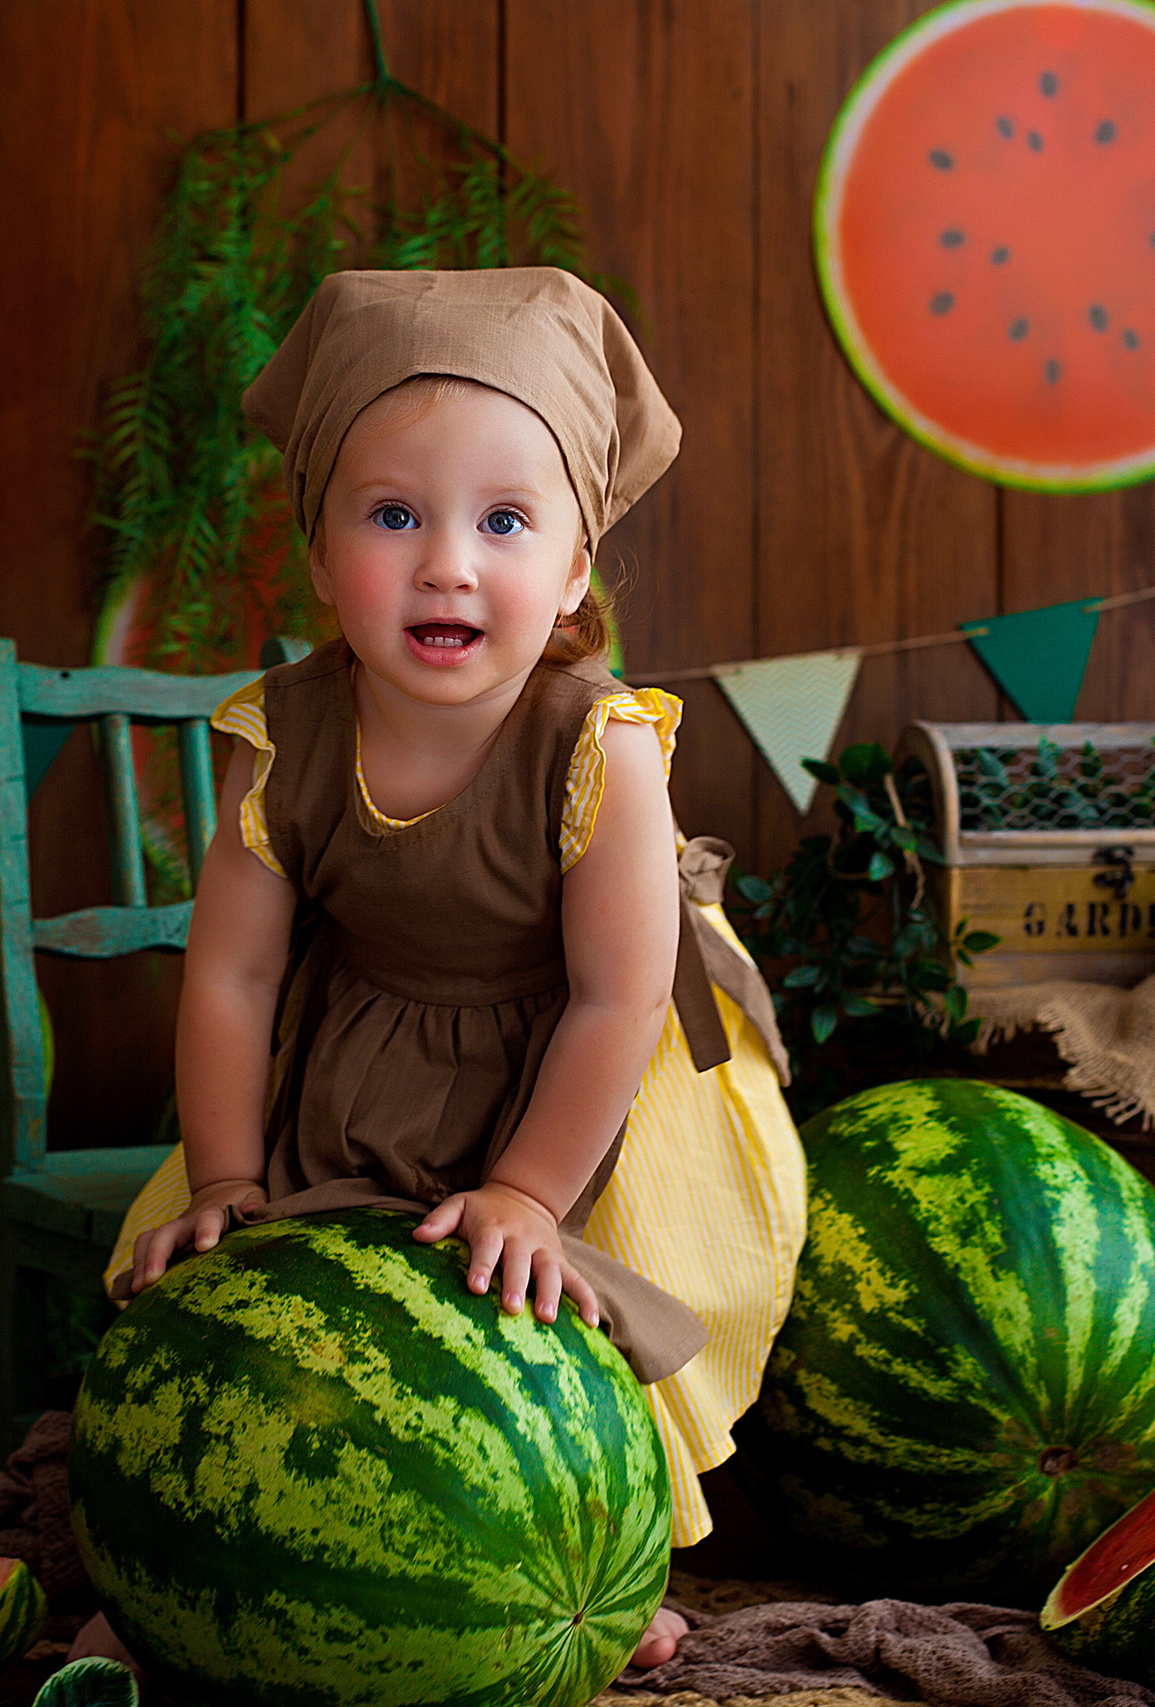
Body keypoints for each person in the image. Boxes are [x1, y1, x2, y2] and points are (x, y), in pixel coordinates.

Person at [83, 267, 805, 1676]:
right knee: (243, 1283)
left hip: (582, 1074)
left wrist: (531, 1191)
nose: (448, 564)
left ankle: (590, 1566)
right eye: (394, 514)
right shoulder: (283, 736)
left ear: (577, 567)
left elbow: (616, 995)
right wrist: (228, 1175)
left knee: (572, 1300)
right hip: (360, 1044)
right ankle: (191, 1563)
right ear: (317, 546)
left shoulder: (602, 748)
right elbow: (230, 976)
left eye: (506, 521)